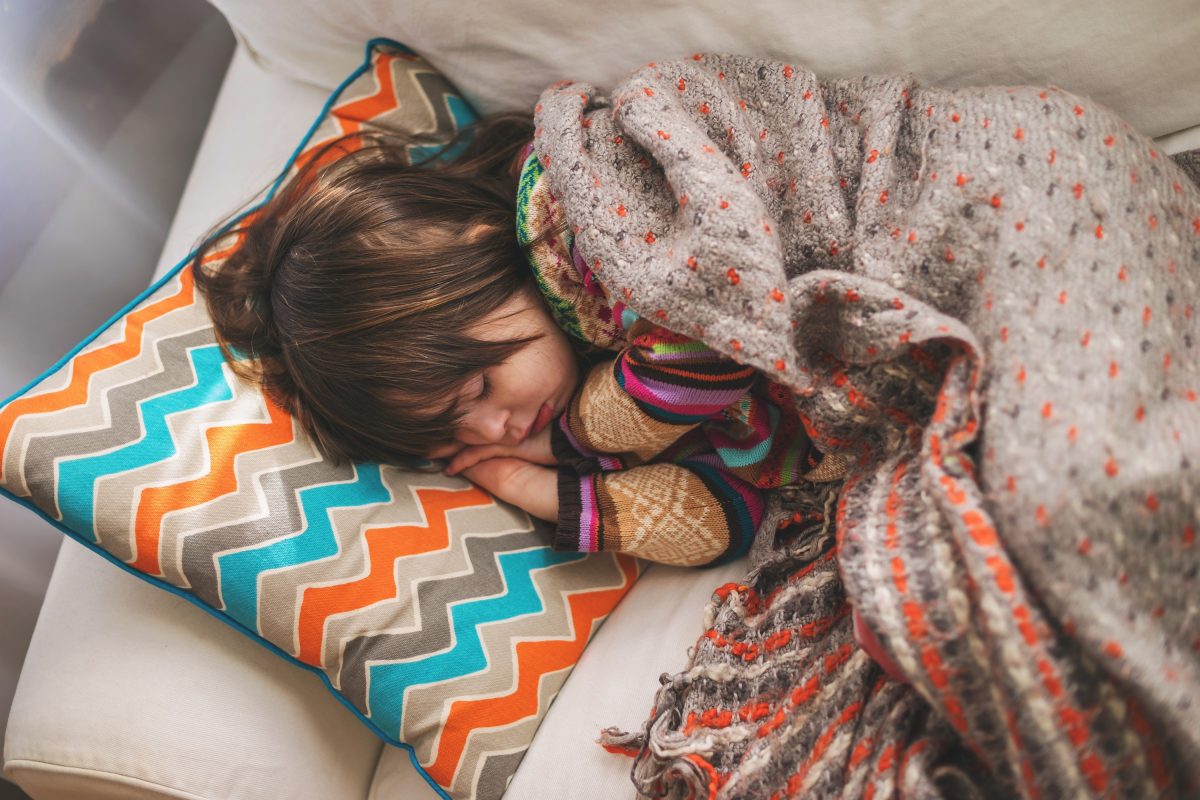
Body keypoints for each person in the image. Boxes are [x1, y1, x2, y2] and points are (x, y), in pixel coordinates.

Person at [191, 111, 846, 570]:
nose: (498, 430)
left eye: (479, 388)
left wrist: (566, 442)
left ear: (479, 251)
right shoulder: (591, 377)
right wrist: (533, 487)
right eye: (459, 436)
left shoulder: (581, 223)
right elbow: (722, 522)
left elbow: (710, 346)